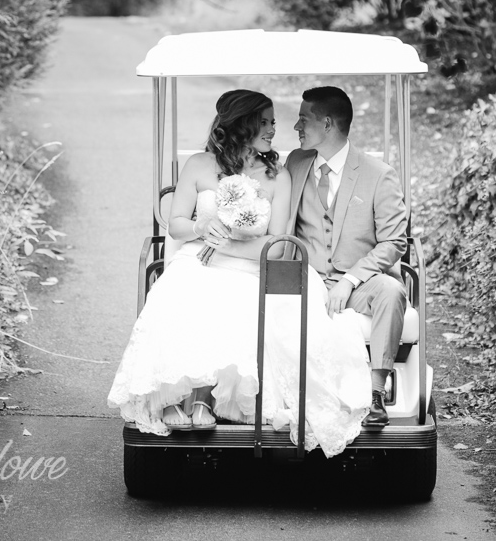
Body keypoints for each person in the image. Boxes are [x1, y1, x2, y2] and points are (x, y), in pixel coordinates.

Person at [107, 89, 371, 457]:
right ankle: (175, 395)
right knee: (179, 291)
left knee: (240, 300)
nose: (272, 130)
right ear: (241, 124)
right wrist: (202, 230)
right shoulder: (199, 165)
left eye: (273, 123)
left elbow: (277, 245)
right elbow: (178, 222)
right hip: (200, 258)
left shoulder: (277, 176)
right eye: (264, 122)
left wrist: (226, 244)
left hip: (252, 266)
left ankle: (206, 401)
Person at [286, 86, 409, 427]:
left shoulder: (377, 173)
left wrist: (350, 280)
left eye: (303, 119)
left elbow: (393, 242)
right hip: (304, 278)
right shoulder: (296, 163)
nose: (296, 126)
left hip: (357, 282)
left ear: (327, 124)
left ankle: (375, 394)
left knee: (392, 291)